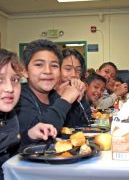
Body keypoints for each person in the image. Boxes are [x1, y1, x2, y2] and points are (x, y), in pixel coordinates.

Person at [0, 49, 57, 180]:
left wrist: (29, 135)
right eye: (0, 80)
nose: (9, 88)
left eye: (15, 79)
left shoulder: (10, 115)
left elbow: (9, 152)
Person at [15, 39, 85, 138]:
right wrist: (66, 100)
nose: (48, 71)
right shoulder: (19, 97)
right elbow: (39, 132)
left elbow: (74, 128)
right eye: (39, 65)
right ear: (25, 71)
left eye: (54, 65)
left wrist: (77, 98)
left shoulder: (54, 96)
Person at [56, 48, 91, 127]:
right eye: (68, 69)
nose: (74, 74)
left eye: (78, 70)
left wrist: (81, 98)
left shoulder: (78, 91)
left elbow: (87, 120)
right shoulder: (47, 93)